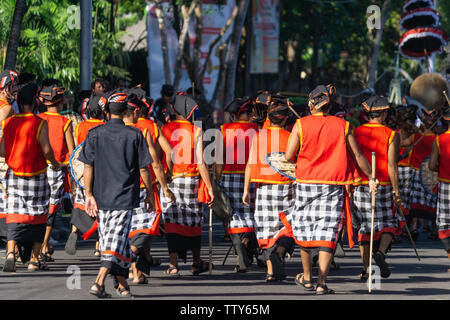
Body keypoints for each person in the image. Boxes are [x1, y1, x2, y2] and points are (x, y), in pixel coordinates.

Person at [283, 84, 376, 294]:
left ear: (310, 104)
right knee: (327, 232)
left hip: (306, 183)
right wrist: (372, 177)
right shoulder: (342, 125)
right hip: (332, 186)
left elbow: (289, 156)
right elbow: (358, 156)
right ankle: (321, 283)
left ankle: (307, 278)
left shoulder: (300, 124)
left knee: (305, 230)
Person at [80, 91, 154, 298]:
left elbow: (88, 166)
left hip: (101, 197)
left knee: (114, 240)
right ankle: (99, 281)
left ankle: (122, 285)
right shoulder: (134, 134)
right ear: (125, 111)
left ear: (106, 111)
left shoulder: (95, 134)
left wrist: (88, 193)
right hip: (124, 197)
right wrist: (149, 192)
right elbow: (144, 169)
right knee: (114, 241)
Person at [1, 83, 60, 272]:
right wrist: (55, 163)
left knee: (14, 215)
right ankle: (34, 260)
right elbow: (46, 149)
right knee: (39, 215)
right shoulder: (39, 123)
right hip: (37, 177)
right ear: (35, 103)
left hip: (14, 176)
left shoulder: (9, 123)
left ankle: (11, 253)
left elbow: (2, 151)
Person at [123, 92, 175, 284]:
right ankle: (127, 262)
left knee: (131, 228)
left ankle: (136, 272)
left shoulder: (110, 129)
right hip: (145, 185)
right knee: (145, 227)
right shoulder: (149, 128)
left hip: (118, 188)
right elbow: (164, 156)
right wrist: (166, 182)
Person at [160, 93, 214, 276]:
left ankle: (173, 264)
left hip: (170, 181)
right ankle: (196, 262)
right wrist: (210, 187)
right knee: (193, 222)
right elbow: (201, 163)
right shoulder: (196, 130)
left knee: (172, 223)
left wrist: (164, 178)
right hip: (191, 180)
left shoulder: (164, 128)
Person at [243, 97, 295, 282]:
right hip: (285, 188)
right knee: (290, 227)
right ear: (284, 119)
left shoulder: (258, 136)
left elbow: (250, 164)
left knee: (266, 231)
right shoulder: (290, 137)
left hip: (262, 189)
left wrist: (246, 190)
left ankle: (271, 272)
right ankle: (280, 253)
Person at [352, 96, 404, 280]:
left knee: (365, 228)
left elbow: (354, 159)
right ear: (383, 113)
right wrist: (397, 192)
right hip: (383, 185)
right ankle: (381, 252)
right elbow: (392, 165)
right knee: (389, 223)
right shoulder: (390, 134)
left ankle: (367, 268)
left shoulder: (356, 132)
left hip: (362, 185)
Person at [215, 97, 258, 272]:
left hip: (229, 176)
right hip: (251, 177)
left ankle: (240, 252)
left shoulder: (223, 130)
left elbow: (218, 160)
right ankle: (247, 242)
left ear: (234, 116)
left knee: (232, 215)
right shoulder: (257, 129)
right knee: (251, 213)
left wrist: (217, 179)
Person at [65, 94, 106, 257]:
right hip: (100, 171)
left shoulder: (80, 126)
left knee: (80, 201)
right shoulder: (104, 127)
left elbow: (76, 149)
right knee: (99, 207)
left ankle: (74, 230)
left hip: (83, 170)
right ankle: (98, 245)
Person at [38, 85, 75, 262]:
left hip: (36, 168)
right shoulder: (64, 122)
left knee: (38, 209)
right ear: (60, 103)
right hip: (55, 169)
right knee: (51, 209)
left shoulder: (37, 118)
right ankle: (44, 245)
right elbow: (72, 150)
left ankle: (38, 247)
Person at [402, 109, 438, 240]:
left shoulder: (415, 137)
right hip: (431, 175)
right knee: (433, 202)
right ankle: (434, 229)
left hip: (418, 174)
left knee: (415, 202)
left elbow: (401, 143)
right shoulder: (437, 139)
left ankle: (415, 228)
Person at [428, 107, 450, 269]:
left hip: (445, 185)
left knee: (444, 223)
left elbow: (431, 165)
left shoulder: (439, 140)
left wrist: (441, 167)